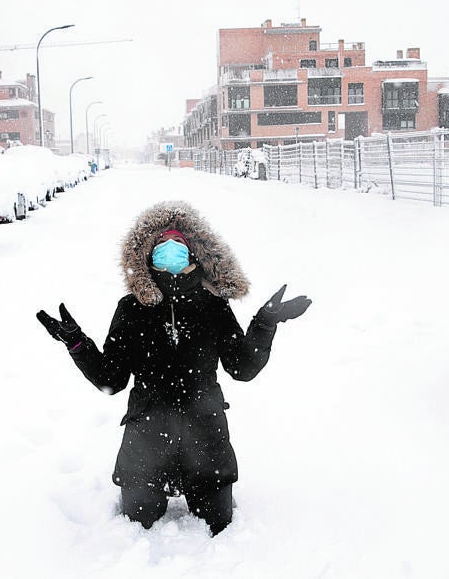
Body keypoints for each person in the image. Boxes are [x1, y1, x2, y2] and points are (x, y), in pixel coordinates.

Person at [36, 200, 310, 534]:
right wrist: (77, 342)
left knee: (219, 523)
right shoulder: (132, 308)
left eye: (179, 243)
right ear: (147, 257)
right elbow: (111, 379)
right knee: (137, 522)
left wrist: (265, 323)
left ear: (195, 253)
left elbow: (243, 367)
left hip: (206, 439)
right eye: (161, 245)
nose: (170, 249)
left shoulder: (213, 306)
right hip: (146, 441)